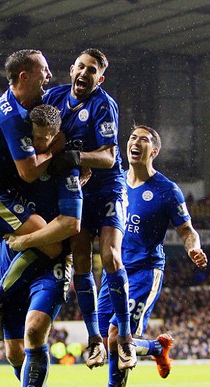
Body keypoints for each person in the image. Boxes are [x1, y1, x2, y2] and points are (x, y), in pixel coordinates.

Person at [89, 125, 208, 387]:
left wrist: (194, 248)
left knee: (116, 336)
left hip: (144, 271)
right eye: (132, 138)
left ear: (154, 151)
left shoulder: (167, 190)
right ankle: (156, 348)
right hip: (114, 270)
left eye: (143, 140)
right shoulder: (114, 179)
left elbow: (187, 230)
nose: (135, 143)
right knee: (106, 340)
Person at [0, 49, 69, 340]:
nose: (48, 75)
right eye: (43, 70)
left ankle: (4, 291)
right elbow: (29, 172)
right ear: (25, 76)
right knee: (52, 244)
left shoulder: (17, 104)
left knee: (38, 242)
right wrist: (56, 150)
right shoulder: (13, 117)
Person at [41, 48, 135, 370]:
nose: (84, 73)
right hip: (76, 190)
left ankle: (124, 339)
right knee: (81, 259)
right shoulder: (53, 98)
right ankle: (95, 339)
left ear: (100, 78)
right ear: (71, 69)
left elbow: (109, 157)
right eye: (81, 66)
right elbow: (19, 121)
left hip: (108, 188)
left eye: (91, 70)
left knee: (110, 256)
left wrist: (73, 157)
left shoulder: (103, 105)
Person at [0, 105, 83, 387]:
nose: (42, 143)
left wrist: (26, 240)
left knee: (35, 332)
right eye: (36, 137)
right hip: (13, 262)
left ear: (58, 135)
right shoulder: (13, 162)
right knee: (15, 353)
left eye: (49, 137)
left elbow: (71, 225)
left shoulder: (68, 169)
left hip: (51, 264)